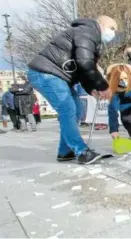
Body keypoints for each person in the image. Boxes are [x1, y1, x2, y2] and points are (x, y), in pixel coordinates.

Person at [27, 16, 116, 164]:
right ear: (101, 24)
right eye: (112, 28)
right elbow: (85, 62)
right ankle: (81, 151)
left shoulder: (90, 36)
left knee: (78, 109)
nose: (113, 32)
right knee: (67, 108)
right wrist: (103, 86)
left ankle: (65, 151)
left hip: (58, 76)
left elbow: (82, 70)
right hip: (46, 72)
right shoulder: (88, 31)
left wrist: (92, 89)